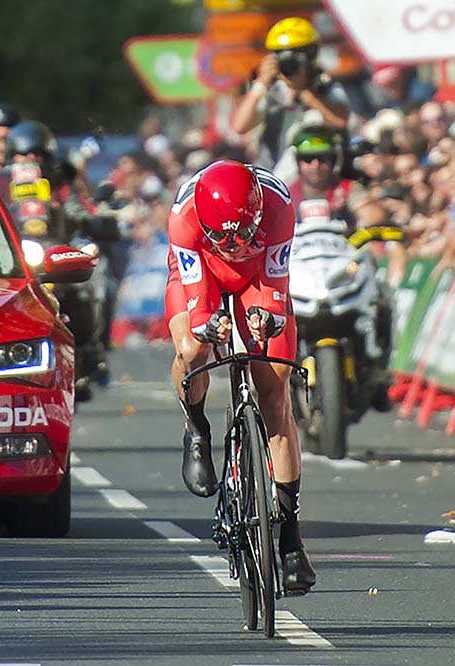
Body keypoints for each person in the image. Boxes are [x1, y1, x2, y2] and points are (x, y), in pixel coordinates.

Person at [165, 159, 316, 593]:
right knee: (192, 348)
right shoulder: (183, 220)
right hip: (201, 277)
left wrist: (265, 320)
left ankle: (290, 539)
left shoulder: (279, 207)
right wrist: (208, 326)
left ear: (257, 217)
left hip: (258, 278)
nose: (232, 244)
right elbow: (197, 307)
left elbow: (275, 286)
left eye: (242, 235)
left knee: (274, 395)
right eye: (222, 236)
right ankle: (195, 427)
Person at [231, 17, 349, 184]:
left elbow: (341, 121)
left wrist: (306, 94)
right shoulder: (271, 92)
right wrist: (260, 85)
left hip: (313, 182)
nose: (289, 63)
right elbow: (240, 126)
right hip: (272, 177)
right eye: (280, 56)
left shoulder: (326, 86)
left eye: (296, 55)